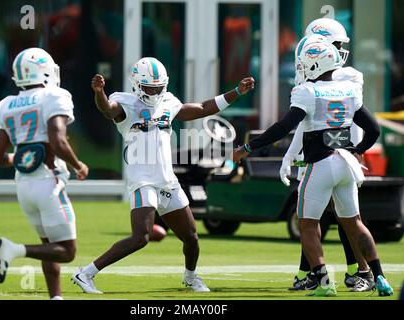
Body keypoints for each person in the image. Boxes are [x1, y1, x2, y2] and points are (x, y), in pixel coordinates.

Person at [71, 57, 255, 294]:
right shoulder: (124, 102)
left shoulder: (167, 101)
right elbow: (107, 110)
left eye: (158, 87)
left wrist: (236, 92)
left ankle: (190, 277)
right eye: (150, 87)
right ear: (137, 84)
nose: (155, 91)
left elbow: (202, 108)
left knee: (191, 237)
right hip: (142, 180)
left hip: (167, 180)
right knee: (141, 237)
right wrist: (99, 93)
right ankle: (85, 273)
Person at [233, 39, 393, 297]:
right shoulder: (348, 89)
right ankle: (380, 277)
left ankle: (324, 282)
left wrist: (248, 148)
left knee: (307, 225)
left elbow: (284, 127)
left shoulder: (307, 91)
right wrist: (358, 150)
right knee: (354, 224)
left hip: (319, 165)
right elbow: (374, 129)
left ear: (315, 64)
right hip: (346, 163)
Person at [0, 48, 89, 300]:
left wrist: (19, 157)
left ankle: (55, 297)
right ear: (44, 70)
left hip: (23, 186)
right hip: (48, 182)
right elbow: (58, 139)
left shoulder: (7, 104)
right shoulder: (54, 95)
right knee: (67, 251)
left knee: (48, 245)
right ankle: (14, 250)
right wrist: (78, 165)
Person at [283, 18, 374, 292]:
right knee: (314, 216)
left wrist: (357, 151)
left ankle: (362, 271)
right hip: (320, 149)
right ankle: (313, 272)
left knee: (339, 217)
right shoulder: (311, 76)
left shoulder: (347, 75)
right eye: (335, 44)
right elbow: (304, 122)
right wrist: (292, 154)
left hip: (340, 150)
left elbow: (352, 121)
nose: (340, 51)